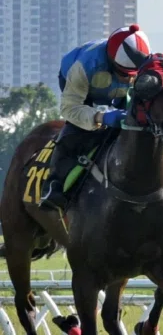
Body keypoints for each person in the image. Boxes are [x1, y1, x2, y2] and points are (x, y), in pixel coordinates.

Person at [39, 25, 152, 212]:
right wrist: (101, 116)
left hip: (119, 94)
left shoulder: (144, 62)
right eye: (124, 74)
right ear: (112, 62)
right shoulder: (85, 65)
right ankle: (54, 185)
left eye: (133, 75)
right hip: (81, 89)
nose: (128, 79)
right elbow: (70, 108)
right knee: (76, 132)